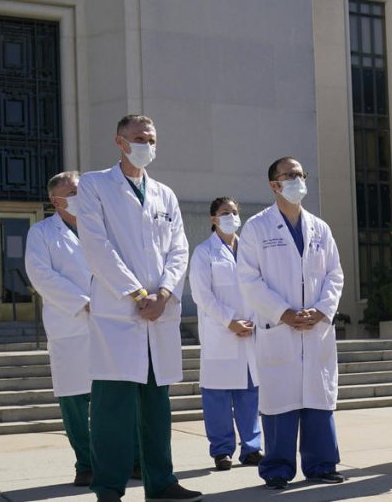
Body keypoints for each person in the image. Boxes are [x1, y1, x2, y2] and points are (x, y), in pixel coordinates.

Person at [77, 115, 201, 502]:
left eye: (151, 139)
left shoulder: (164, 194)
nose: (147, 145)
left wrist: (164, 293)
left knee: (156, 405)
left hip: (158, 314)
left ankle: (161, 482)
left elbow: (179, 248)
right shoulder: (96, 185)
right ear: (120, 142)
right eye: (139, 138)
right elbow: (96, 245)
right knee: (112, 407)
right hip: (119, 313)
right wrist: (136, 293)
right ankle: (108, 487)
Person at [237, 157, 345, 490]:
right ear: (274, 185)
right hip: (279, 329)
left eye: (301, 174)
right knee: (280, 402)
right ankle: (277, 469)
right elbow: (249, 279)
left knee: (318, 399)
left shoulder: (320, 227)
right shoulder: (257, 227)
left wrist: (322, 311)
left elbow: (335, 274)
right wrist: (283, 312)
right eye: (290, 175)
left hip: (316, 329)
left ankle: (322, 465)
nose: (298, 180)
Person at [24, 171, 94, 487]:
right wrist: (84, 302)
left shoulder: (100, 226)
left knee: (114, 398)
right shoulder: (41, 233)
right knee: (75, 400)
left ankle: (128, 460)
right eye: (74, 192)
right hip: (70, 324)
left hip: (109, 324)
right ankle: (86, 464)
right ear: (56, 201)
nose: (81, 196)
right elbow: (40, 275)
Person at [188, 197, 263, 471]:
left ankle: (252, 448)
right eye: (224, 212)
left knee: (249, 395)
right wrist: (230, 321)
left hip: (249, 333)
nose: (231, 216)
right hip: (220, 334)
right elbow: (201, 294)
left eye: (234, 212)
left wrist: (254, 321)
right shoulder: (204, 253)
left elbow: (259, 288)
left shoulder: (250, 252)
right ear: (213, 219)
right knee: (217, 398)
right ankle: (221, 451)